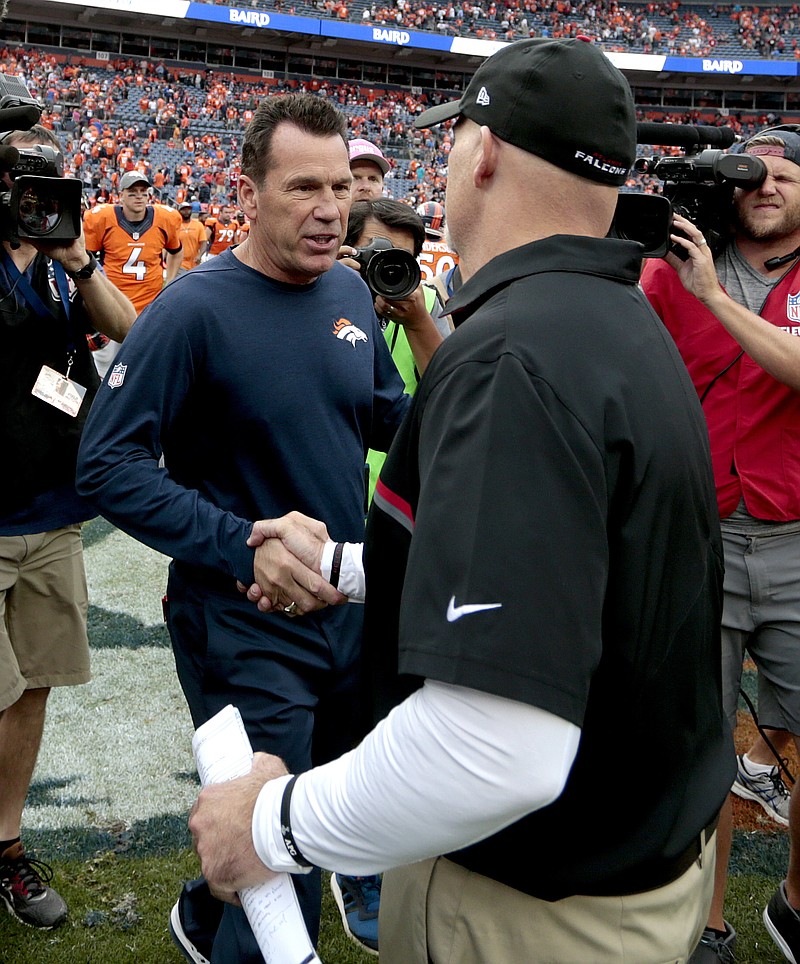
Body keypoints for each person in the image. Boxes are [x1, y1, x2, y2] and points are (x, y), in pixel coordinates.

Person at [189, 38, 735, 964]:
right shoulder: (613, 319)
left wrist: (272, 823)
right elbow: (560, 580)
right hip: (628, 871)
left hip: (532, 903)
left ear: (481, 151)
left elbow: (495, 748)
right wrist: (335, 568)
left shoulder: (515, 355)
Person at [75, 92, 432, 964]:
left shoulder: (348, 289)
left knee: (325, 811)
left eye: (340, 187)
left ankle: (201, 911)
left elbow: (393, 425)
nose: (328, 209)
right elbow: (107, 465)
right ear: (246, 193)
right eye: (302, 186)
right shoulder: (193, 310)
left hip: (346, 610)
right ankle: (229, 929)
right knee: (279, 893)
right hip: (241, 625)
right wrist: (244, 542)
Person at [641, 125, 800, 964]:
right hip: (697, 533)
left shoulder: (707, 280)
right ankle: (706, 926)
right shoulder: (673, 263)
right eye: (751, 175)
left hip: (797, 537)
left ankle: (797, 903)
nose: (765, 187)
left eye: (785, 174)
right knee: (702, 741)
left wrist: (712, 295)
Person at [0, 124, 135, 930]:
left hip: (52, 513)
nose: (38, 203)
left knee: (36, 683)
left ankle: (7, 848)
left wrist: (78, 260)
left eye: (51, 188)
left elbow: (127, 330)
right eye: (26, 187)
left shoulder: (61, 268)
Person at [82, 170, 182, 315]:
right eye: (132, 192)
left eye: (143, 192)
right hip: (113, 302)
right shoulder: (102, 218)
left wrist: (170, 283)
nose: (139, 197)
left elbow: (176, 251)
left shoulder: (164, 218)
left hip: (150, 303)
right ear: (121, 195)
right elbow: (86, 260)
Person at [176, 200, 208, 274]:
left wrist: (200, 255)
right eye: (183, 209)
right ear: (179, 211)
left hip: (194, 261)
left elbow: (203, 242)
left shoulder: (198, 225)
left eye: (188, 209)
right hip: (179, 262)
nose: (186, 211)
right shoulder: (175, 225)